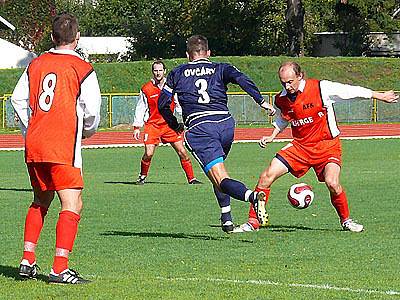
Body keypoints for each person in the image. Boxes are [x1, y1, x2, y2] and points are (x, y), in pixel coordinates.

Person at [235, 61, 398, 233]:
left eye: (290, 81)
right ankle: (252, 222)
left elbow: (350, 91)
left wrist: (379, 96)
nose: (287, 86)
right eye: (283, 82)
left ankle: (346, 220)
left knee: (332, 183)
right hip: (300, 147)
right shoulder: (281, 99)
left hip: (327, 145)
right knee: (266, 176)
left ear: (300, 76)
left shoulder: (321, 88)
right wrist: (272, 135)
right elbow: (284, 118)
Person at [11, 13, 102, 284]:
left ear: (52, 37)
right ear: (77, 38)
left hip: (35, 144)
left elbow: (17, 99)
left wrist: (33, 127)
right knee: (72, 202)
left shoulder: (35, 64)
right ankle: (60, 268)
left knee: (41, 199)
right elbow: (93, 110)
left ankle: (27, 260)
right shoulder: (82, 68)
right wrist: (84, 131)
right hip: (62, 144)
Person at [158, 35, 276, 233]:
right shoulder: (221, 67)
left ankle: (253, 197)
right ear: (209, 53)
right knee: (217, 173)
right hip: (225, 125)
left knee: (220, 178)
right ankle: (226, 218)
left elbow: (162, 104)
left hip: (201, 127)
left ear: (188, 55)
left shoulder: (177, 72)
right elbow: (243, 79)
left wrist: (174, 124)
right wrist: (261, 102)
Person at [133, 60, 201, 185]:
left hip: (169, 125)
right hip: (152, 125)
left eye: (160, 70)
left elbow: (179, 104)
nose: (158, 73)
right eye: (155, 70)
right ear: (152, 72)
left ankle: (191, 179)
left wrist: (183, 120)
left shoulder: (171, 87)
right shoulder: (146, 89)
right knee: (148, 153)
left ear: (164, 71)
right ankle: (142, 176)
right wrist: (137, 126)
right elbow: (141, 107)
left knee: (182, 152)